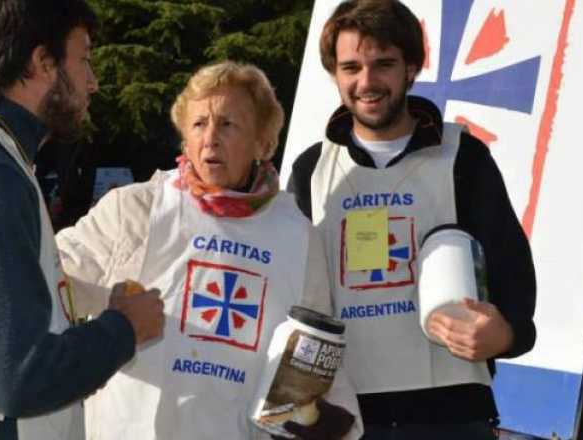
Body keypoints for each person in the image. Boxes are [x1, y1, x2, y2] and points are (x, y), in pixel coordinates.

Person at [0, 1, 164, 439]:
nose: (92, 82)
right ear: (42, 62)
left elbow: (17, 302)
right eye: (85, 59)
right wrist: (125, 329)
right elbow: (19, 377)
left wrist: (98, 301)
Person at [56, 61, 362, 439]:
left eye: (228, 124)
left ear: (263, 143)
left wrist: (312, 411)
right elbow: (51, 277)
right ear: (184, 137)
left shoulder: (299, 237)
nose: (211, 138)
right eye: (199, 124)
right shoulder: (133, 210)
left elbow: (314, 359)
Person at [286, 1, 537, 438]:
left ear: (411, 67)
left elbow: (512, 268)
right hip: (348, 417)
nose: (366, 82)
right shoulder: (312, 169)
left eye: (383, 64)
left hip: (451, 415)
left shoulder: (464, 157)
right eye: (351, 67)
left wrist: (510, 334)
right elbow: (291, 289)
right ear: (335, 75)